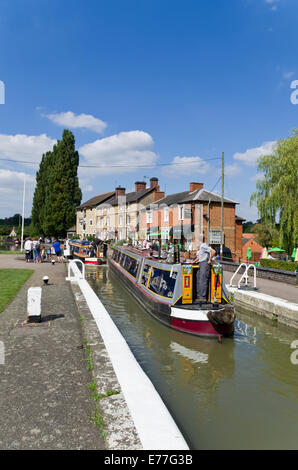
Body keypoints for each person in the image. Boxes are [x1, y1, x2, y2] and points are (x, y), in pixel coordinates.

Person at [190, 237, 216, 302]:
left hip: (204, 264)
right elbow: (199, 257)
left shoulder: (203, 246)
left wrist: (209, 259)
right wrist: (193, 261)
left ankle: (202, 297)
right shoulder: (200, 247)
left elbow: (213, 251)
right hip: (200, 264)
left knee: (203, 280)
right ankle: (199, 296)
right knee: (198, 279)